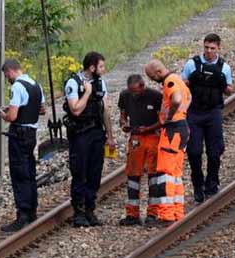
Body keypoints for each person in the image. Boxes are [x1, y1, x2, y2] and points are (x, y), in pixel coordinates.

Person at [63, 52, 116, 227]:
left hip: (96, 132)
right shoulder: (74, 83)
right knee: (80, 172)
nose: (103, 69)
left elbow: (105, 110)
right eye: (101, 66)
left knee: (95, 172)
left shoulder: (100, 83)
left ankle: (90, 209)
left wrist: (110, 136)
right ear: (92, 68)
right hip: (80, 134)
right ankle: (78, 212)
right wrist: (87, 93)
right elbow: (76, 110)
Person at [181, 33, 233, 203]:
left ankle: (212, 183)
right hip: (194, 113)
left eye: (212, 48)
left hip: (213, 113)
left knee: (214, 152)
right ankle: (197, 185)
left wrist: (222, 82)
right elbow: (182, 86)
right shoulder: (192, 64)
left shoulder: (224, 67)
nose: (209, 51)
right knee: (194, 152)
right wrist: (191, 80)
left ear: (218, 48)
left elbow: (229, 90)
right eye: (206, 47)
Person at [0, 59, 45, 232]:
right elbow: (42, 109)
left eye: (6, 75)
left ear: (11, 71)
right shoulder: (36, 84)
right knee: (30, 170)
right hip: (32, 133)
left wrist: (5, 114)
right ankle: (32, 209)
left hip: (19, 134)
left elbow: (13, 116)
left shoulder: (17, 87)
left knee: (19, 173)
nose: (7, 78)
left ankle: (22, 213)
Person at [145, 59, 191, 224]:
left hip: (173, 130)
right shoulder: (179, 79)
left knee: (166, 173)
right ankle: (177, 211)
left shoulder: (170, 81)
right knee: (176, 174)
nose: (152, 81)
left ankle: (166, 214)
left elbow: (177, 99)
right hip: (182, 128)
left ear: (158, 72)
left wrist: (169, 116)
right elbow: (188, 99)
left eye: (152, 77)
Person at [117, 75, 163, 226]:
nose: (134, 95)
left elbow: (163, 119)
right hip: (136, 137)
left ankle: (153, 213)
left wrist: (148, 128)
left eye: (136, 91)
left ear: (143, 86)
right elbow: (122, 114)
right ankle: (132, 214)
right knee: (132, 175)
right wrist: (124, 123)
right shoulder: (125, 95)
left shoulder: (156, 96)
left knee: (154, 175)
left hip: (152, 137)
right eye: (132, 92)